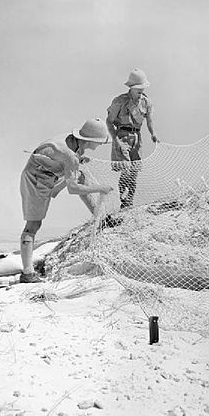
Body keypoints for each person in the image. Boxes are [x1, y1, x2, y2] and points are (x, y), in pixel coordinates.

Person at [19, 118, 114, 283]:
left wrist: (77, 162)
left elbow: (62, 158)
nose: (98, 146)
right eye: (98, 142)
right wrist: (100, 188)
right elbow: (73, 188)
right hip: (35, 180)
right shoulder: (70, 155)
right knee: (33, 225)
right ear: (90, 140)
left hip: (49, 174)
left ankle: (100, 218)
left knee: (81, 175)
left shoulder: (71, 142)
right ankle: (27, 274)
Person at [107, 68, 160, 209]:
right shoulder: (120, 101)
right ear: (131, 88)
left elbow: (149, 120)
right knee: (126, 169)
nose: (141, 92)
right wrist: (115, 140)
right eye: (138, 89)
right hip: (122, 136)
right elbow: (109, 121)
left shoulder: (146, 102)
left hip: (137, 137)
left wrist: (153, 133)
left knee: (134, 170)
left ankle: (130, 200)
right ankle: (124, 202)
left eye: (142, 89)